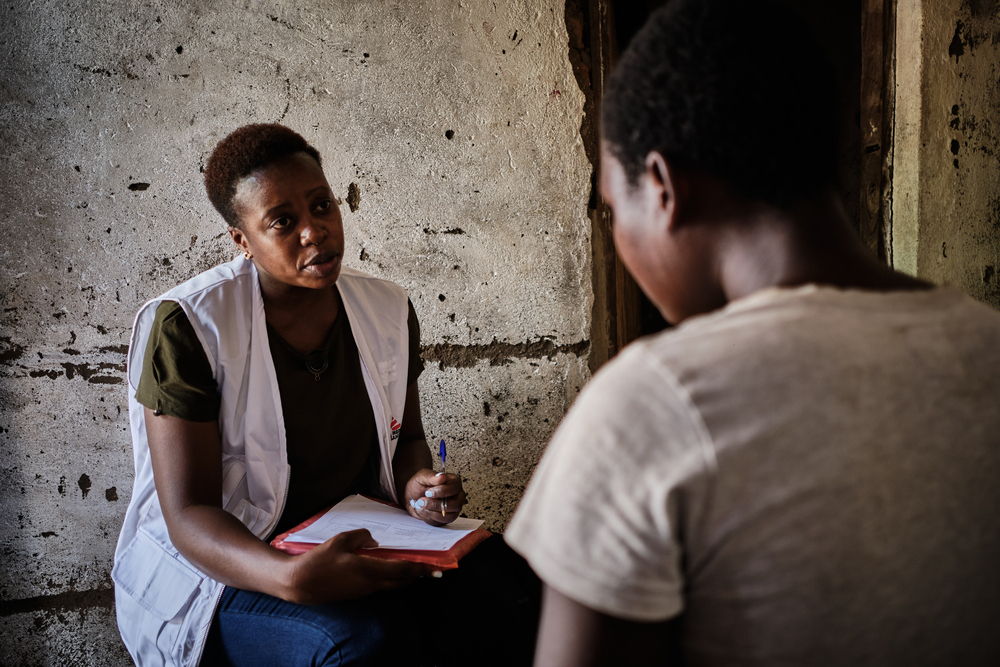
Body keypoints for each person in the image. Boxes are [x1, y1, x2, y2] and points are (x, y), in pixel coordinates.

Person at [506, 1, 1000, 665]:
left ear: (661, 188)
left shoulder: (652, 402)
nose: (618, 235)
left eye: (612, 209)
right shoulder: (987, 343)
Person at [112, 124, 538, 666]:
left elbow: (406, 439)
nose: (314, 232)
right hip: (233, 570)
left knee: (517, 588)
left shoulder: (387, 308)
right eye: (282, 221)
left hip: (357, 540)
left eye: (322, 206)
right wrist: (288, 577)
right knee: (362, 644)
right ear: (242, 240)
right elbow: (189, 515)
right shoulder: (189, 325)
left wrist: (418, 490)